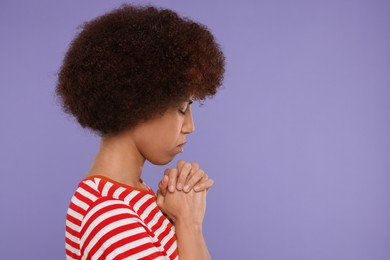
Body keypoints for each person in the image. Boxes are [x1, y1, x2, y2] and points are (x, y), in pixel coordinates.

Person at [56, 4, 224, 260]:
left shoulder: (137, 196)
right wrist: (189, 223)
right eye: (181, 108)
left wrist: (186, 219)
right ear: (136, 103)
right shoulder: (107, 214)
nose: (190, 126)